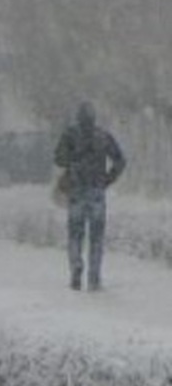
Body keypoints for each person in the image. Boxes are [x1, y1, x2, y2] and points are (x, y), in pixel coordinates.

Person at [54, 101, 126, 291]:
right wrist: (108, 179)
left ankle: (76, 266)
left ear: (78, 118)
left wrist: (73, 161)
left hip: (77, 191)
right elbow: (120, 160)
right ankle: (94, 278)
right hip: (97, 191)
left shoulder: (70, 135)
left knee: (75, 235)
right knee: (96, 237)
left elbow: (58, 158)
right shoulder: (103, 136)